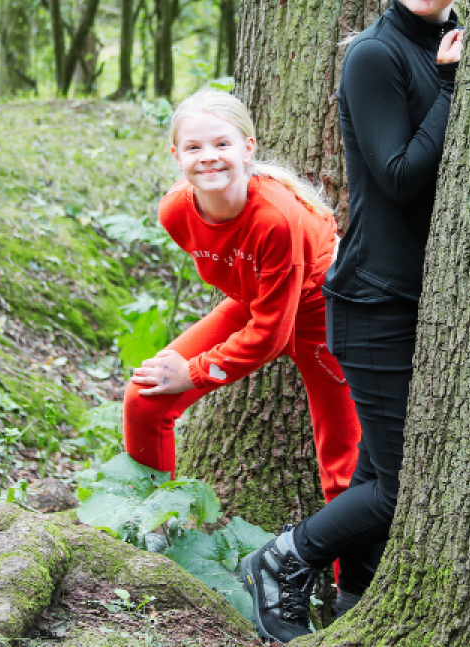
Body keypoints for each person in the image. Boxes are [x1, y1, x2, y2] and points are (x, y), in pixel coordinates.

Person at [240, 0, 470, 644]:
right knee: (401, 485)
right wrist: (449, 88)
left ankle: (355, 611)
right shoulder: (377, 56)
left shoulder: (446, 44)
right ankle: (282, 560)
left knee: (380, 475)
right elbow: (401, 174)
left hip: (416, 300)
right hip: (374, 298)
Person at [122, 90, 361, 509]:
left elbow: (270, 337)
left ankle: (353, 574)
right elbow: (254, 301)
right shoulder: (175, 212)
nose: (208, 157)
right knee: (144, 398)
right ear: (177, 156)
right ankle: (152, 529)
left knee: (343, 470)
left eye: (222, 144)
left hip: (323, 312)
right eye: (194, 147)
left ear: (247, 149)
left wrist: (194, 372)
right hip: (259, 303)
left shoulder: (275, 220)